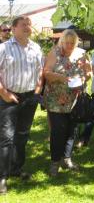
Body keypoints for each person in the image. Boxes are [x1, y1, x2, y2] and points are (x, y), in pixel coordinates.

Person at [0, 16, 43, 195]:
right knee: (6, 137)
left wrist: (37, 91)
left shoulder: (36, 48)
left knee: (22, 135)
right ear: (14, 28)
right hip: (8, 97)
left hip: (29, 98)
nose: (27, 27)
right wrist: (5, 93)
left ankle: (17, 169)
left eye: (29, 24)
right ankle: (2, 177)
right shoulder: (3, 48)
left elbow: (40, 70)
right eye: (23, 25)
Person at [43, 29, 91, 177]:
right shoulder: (54, 53)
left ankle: (67, 159)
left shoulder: (82, 54)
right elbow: (46, 73)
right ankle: (55, 162)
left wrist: (83, 80)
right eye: (66, 42)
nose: (69, 45)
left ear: (76, 42)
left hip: (74, 100)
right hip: (56, 100)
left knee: (72, 131)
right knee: (58, 132)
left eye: (72, 43)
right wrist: (62, 78)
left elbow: (89, 73)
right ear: (62, 41)